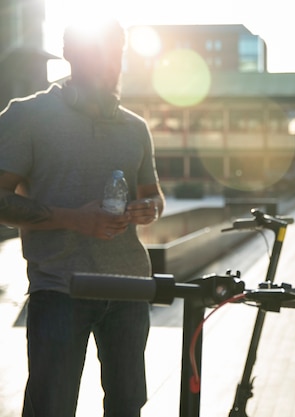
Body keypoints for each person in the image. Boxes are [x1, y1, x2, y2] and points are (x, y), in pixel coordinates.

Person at [0, 16, 164, 417]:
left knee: (128, 408)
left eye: (116, 55)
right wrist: (73, 218)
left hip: (130, 291)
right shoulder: (27, 116)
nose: (110, 64)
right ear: (70, 56)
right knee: (50, 408)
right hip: (59, 290)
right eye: (98, 53)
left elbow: (155, 197)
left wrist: (149, 209)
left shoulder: (135, 127)